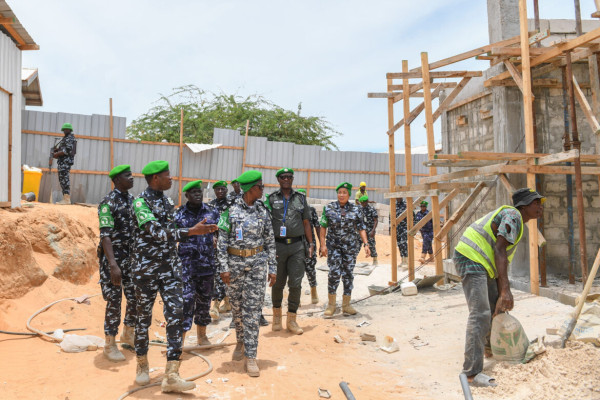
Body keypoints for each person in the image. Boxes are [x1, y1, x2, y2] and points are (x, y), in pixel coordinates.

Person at [131, 160, 217, 393]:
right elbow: (157, 233)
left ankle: (171, 374)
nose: (171, 179)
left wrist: (193, 232)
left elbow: (170, 234)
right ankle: (142, 364)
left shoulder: (168, 202)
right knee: (143, 318)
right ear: (155, 178)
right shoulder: (140, 203)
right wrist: (191, 231)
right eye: (167, 175)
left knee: (177, 316)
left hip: (170, 269)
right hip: (146, 270)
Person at [454, 188, 544, 387]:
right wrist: (505, 289)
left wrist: (501, 292)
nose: (540, 207)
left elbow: (501, 257)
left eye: (540, 203)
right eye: (536, 203)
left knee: (497, 306)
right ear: (523, 206)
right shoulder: (513, 216)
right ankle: (471, 373)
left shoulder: (516, 222)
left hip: (483, 262)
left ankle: (489, 348)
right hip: (471, 257)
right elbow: (499, 250)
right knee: (480, 314)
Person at [217, 170, 277, 377]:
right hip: (234, 266)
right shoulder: (229, 211)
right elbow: (222, 242)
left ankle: (251, 356)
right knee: (237, 308)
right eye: (260, 187)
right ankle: (240, 341)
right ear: (251, 188)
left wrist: (273, 268)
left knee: (252, 311)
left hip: (257, 266)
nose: (263, 190)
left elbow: (270, 241)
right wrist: (223, 267)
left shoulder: (263, 211)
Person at [265, 168, 313, 335]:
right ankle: (277, 317)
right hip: (278, 245)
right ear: (278, 179)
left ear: (292, 179)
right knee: (277, 282)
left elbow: (306, 222)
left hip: (297, 246)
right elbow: (266, 223)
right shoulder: (271, 198)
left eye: (289, 177)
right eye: (283, 177)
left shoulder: (301, 198)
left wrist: (311, 243)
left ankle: (292, 319)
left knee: (295, 283)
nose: (286, 179)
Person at [97, 164, 136, 362]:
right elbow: (105, 236)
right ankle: (109, 343)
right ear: (117, 180)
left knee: (135, 297)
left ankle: (128, 334)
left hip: (131, 259)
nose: (132, 178)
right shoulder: (108, 203)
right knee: (114, 301)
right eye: (128, 175)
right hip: (114, 259)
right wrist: (113, 264)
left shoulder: (133, 201)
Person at [175, 180, 220, 347]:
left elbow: (221, 230)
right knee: (186, 301)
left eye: (199, 192)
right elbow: (172, 234)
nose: (198, 194)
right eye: (193, 192)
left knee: (204, 301)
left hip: (207, 265)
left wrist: (216, 238)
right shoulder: (179, 214)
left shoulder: (212, 212)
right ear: (187, 195)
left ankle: (202, 336)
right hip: (186, 266)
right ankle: (181, 340)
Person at [319, 182, 371, 317]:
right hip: (334, 247)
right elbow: (323, 227)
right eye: (339, 192)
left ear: (349, 195)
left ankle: (346, 305)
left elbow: (361, 228)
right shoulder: (329, 208)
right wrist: (322, 245)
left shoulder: (356, 209)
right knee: (334, 274)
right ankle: (331, 305)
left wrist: (366, 244)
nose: (341, 195)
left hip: (350, 248)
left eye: (344, 193)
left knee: (348, 274)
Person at [208, 180, 231, 320]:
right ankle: (217, 304)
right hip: (216, 246)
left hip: (230, 245)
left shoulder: (232, 204)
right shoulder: (210, 205)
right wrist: (212, 236)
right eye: (218, 189)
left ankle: (226, 302)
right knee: (218, 273)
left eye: (223, 189)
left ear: (226, 190)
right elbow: (208, 223)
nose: (220, 191)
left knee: (228, 273)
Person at [297, 188, 320, 304]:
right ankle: (296, 296)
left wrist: (322, 243)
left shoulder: (311, 210)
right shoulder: (294, 210)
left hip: (310, 244)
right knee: (296, 270)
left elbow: (317, 226)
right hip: (296, 244)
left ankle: (313, 291)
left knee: (311, 269)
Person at [52, 123, 77, 204]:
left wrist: (56, 154)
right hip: (62, 162)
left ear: (70, 130)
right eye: (64, 129)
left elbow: (67, 150)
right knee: (62, 180)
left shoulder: (70, 138)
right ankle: (65, 198)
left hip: (66, 162)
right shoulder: (66, 138)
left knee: (65, 180)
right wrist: (57, 150)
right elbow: (63, 149)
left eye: (66, 129)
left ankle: (67, 199)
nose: (65, 131)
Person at [359, 195, 379, 265]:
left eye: (363, 202)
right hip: (362, 230)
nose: (362, 204)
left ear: (367, 202)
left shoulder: (371, 209)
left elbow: (376, 220)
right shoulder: (360, 209)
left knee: (372, 244)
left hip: (370, 230)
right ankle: (352, 259)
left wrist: (373, 231)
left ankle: (375, 260)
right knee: (357, 244)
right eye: (361, 203)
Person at [395, 198, 410, 265]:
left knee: (403, 243)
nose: (398, 198)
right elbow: (391, 217)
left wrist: (412, 228)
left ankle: (406, 260)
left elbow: (412, 216)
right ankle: (402, 260)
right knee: (399, 244)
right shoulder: (394, 205)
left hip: (405, 227)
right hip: (397, 228)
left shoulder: (406, 205)